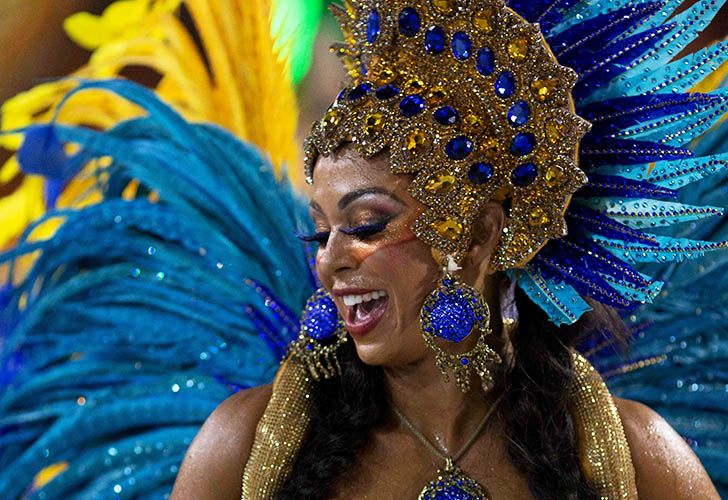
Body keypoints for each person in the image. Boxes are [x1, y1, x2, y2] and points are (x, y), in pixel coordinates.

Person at [1, 1, 727, 499]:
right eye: (323, 231)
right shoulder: (250, 445)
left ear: (477, 236)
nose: (330, 261)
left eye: (368, 224)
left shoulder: (623, 451)